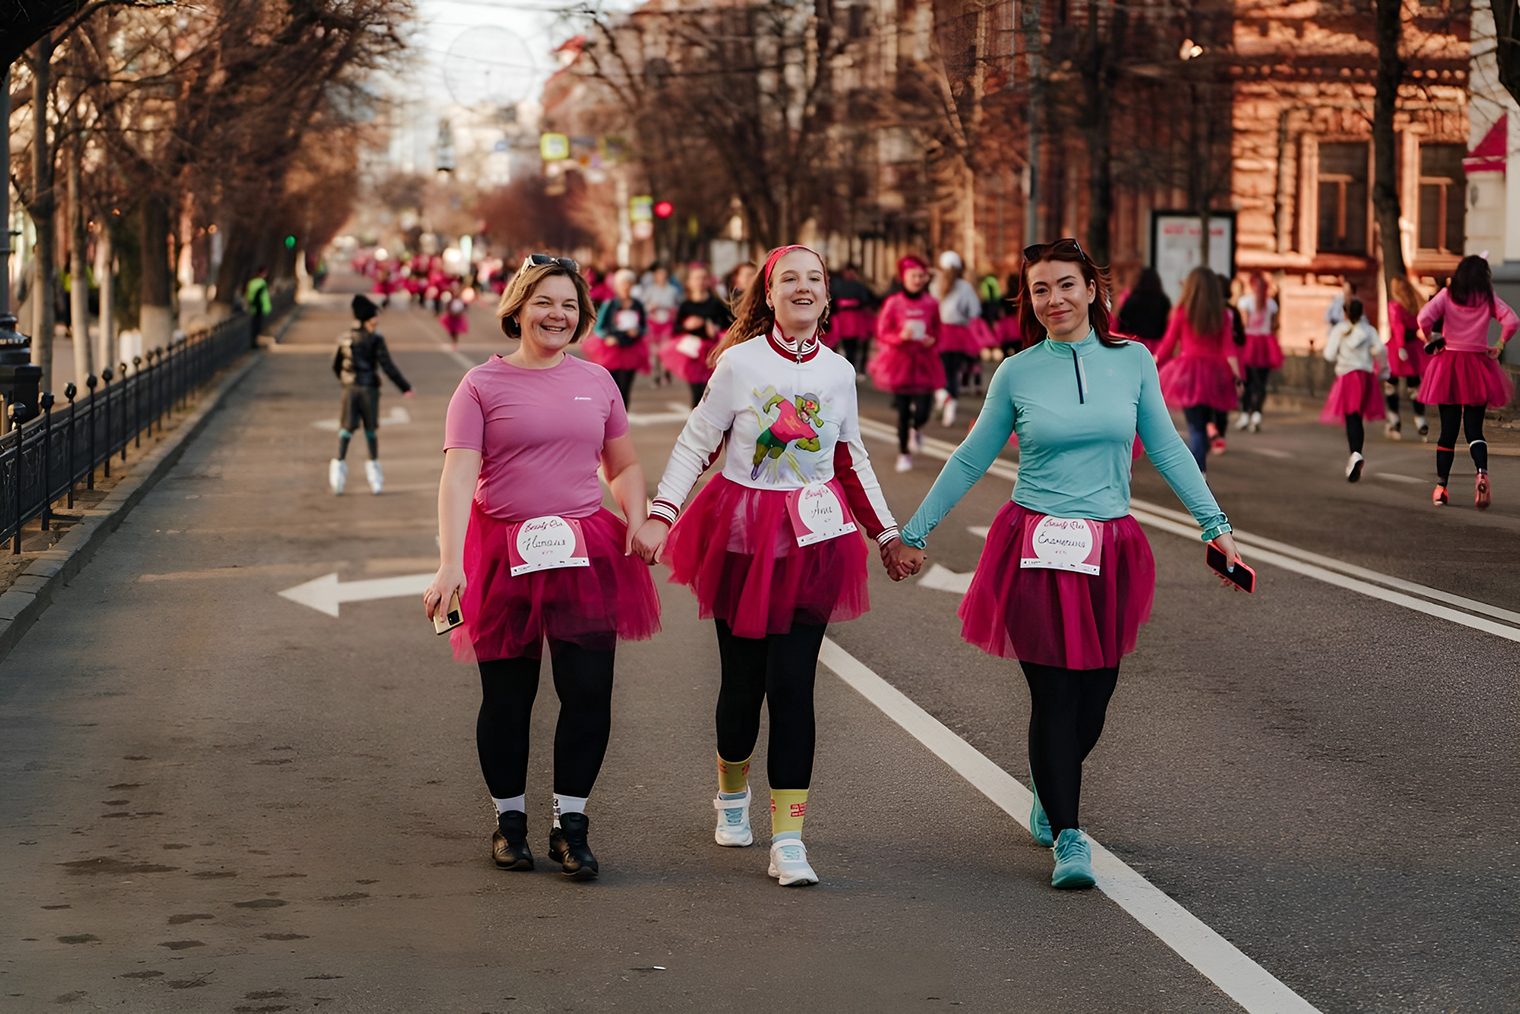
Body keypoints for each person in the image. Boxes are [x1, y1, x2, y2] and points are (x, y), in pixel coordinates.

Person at [885, 237, 1240, 891]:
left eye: (1066, 285)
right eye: (1041, 289)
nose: (1054, 300)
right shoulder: (1016, 373)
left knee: (1094, 697)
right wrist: (912, 532)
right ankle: (1070, 837)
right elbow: (970, 458)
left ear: (1093, 289)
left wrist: (1215, 527)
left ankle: (1052, 782)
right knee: (1052, 695)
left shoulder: (1134, 360)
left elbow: (1165, 447)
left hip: (1109, 546)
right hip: (1035, 546)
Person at [631, 245, 900, 888]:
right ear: (770, 295)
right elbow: (698, 439)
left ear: (828, 296)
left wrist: (887, 535)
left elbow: (849, 457)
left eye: (815, 279)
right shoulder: (739, 363)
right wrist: (663, 513)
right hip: (743, 539)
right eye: (789, 280)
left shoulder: (839, 372)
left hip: (813, 543)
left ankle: (789, 839)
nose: (803, 288)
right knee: (742, 685)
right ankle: (731, 797)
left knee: (794, 686)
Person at [423, 254, 661, 880]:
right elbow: (457, 477)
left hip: (584, 552)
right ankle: (509, 823)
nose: (557, 314)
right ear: (518, 308)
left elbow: (624, 465)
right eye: (544, 302)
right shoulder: (480, 385)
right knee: (508, 699)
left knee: (588, 693)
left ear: (582, 315)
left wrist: (637, 517)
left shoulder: (599, 381)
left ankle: (570, 826)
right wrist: (451, 563)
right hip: (504, 553)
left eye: (569, 305)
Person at [1417, 255, 1518, 509]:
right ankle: (1482, 472)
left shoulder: (1448, 295)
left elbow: (1423, 318)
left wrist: (1433, 339)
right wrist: (1498, 344)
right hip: (1477, 366)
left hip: (1448, 365)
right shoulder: (1487, 297)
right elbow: (1512, 320)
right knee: (1475, 430)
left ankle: (1441, 487)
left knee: (1448, 432)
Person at [330, 295, 414, 495]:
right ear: (369, 318)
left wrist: (347, 381)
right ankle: (375, 478)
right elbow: (387, 366)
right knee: (370, 432)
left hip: (350, 390)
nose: (377, 319)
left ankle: (338, 476)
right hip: (369, 390)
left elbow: (336, 366)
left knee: (346, 431)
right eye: (375, 316)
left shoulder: (344, 338)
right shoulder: (376, 339)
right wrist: (405, 387)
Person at [1155, 268, 1237, 469]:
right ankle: (1211, 434)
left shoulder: (1183, 313)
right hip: (1215, 374)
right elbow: (1229, 348)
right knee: (1205, 423)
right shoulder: (1222, 315)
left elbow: (1167, 345)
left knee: (1195, 427)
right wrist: (1238, 376)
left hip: (1188, 373)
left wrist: (1150, 363)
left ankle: (1199, 473)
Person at [869, 255, 946, 472]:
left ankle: (918, 427)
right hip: (899, 361)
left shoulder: (931, 303)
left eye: (922, 276)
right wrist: (900, 337)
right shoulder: (893, 303)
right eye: (914, 275)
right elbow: (882, 332)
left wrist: (933, 339)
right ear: (903, 277)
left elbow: (938, 330)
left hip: (924, 361)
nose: (918, 280)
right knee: (902, 411)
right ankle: (904, 452)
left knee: (924, 409)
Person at [1320, 299, 1388, 482]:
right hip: (1365, 377)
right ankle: (1356, 453)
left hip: (1348, 377)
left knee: (1352, 418)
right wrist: (1383, 370)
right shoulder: (1369, 330)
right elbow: (1381, 350)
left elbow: (1329, 354)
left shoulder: (1339, 330)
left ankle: (1355, 454)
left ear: (1345, 313)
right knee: (1357, 418)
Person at [660, 264, 732, 407]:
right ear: (689, 283)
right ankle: (698, 424)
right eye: (696, 278)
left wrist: (715, 328)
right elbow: (676, 329)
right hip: (692, 354)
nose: (700, 282)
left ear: (708, 281)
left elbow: (729, 324)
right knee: (696, 393)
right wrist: (687, 326)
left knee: (710, 391)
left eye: (703, 278)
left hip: (712, 352)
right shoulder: (685, 305)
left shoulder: (716, 303)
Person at [931, 250, 988, 428]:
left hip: (939, 333)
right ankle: (950, 408)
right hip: (958, 335)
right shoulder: (965, 286)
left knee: (935, 370)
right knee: (953, 373)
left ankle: (942, 396)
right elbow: (975, 311)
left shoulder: (934, 285)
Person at [587, 268, 650, 407]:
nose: (626, 287)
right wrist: (608, 337)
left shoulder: (638, 305)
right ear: (617, 286)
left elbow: (645, 327)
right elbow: (598, 328)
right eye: (623, 284)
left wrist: (638, 331)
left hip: (631, 349)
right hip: (612, 351)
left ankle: (622, 422)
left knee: (625, 389)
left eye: (629, 284)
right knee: (612, 389)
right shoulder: (610, 304)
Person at [1234, 271, 1281, 433]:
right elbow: (1275, 325)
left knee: (1246, 381)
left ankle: (1245, 414)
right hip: (1266, 345)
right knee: (1261, 383)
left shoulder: (1245, 302)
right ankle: (1256, 414)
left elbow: (1244, 323)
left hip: (1249, 345)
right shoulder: (1271, 304)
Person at [1385, 276, 1430, 440]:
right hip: (1415, 347)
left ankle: (1394, 420)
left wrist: (1400, 346)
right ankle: (1420, 420)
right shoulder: (1416, 303)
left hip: (1398, 346)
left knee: (1391, 385)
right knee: (1414, 385)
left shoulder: (1395, 305)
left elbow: (1397, 326)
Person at [826, 263, 877, 374]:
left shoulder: (859, 285)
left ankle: (851, 367)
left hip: (854, 320)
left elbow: (868, 299)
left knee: (852, 346)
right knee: (834, 344)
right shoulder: (836, 284)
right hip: (840, 319)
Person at [637, 265, 682, 386]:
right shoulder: (650, 290)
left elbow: (678, 306)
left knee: (665, 349)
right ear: (655, 277)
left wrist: (671, 310)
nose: (661, 277)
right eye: (659, 275)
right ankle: (657, 374)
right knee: (655, 351)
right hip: (653, 323)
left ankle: (666, 370)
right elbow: (642, 305)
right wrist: (650, 307)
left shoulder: (672, 290)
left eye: (664, 275)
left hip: (667, 322)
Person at [1114, 266, 1171, 353]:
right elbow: (1167, 327)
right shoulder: (1163, 301)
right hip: (1157, 347)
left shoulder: (1131, 300)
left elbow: (1122, 323)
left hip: (1134, 344)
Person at [246, 266, 272, 348]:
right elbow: (258, 296)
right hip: (259, 308)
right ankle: (254, 343)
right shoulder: (261, 283)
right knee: (257, 327)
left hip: (255, 307)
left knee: (255, 326)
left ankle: (254, 342)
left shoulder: (252, 282)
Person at [440, 282, 469, 348]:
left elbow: (465, 307)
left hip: (457, 317)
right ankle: (453, 340)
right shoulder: (450, 300)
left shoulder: (461, 300)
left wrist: (461, 312)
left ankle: (455, 341)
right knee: (451, 330)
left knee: (456, 330)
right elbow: (448, 307)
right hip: (452, 316)